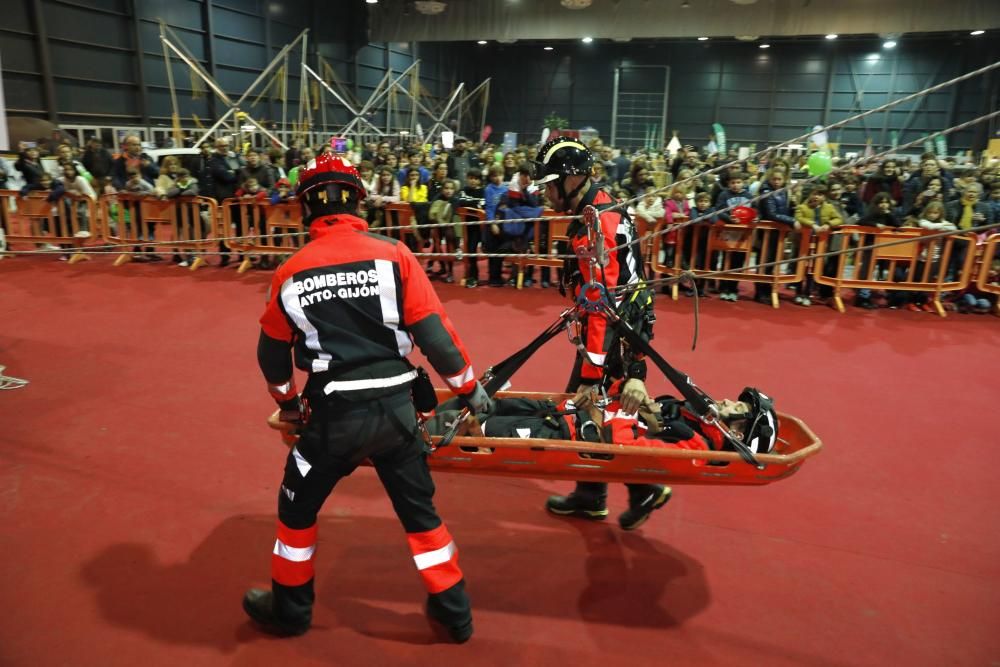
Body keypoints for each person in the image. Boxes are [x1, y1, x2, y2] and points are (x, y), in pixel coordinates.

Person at [245, 153, 490, 643]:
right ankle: (454, 611)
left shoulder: (290, 272)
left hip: (333, 421)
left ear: (306, 208)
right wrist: (468, 388)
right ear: (359, 200)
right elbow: (435, 336)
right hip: (399, 414)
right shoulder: (394, 254)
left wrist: (289, 406)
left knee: (296, 511)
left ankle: (291, 611)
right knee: (421, 517)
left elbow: (271, 356)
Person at [531, 137, 666, 531]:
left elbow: (601, 307)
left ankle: (643, 487)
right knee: (597, 417)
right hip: (619, 333)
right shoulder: (603, 204)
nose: (548, 193)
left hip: (610, 339)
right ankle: (596, 495)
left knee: (593, 413)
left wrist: (592, 372)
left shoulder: (596, 224)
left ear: (572, 180)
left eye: (551, 184)